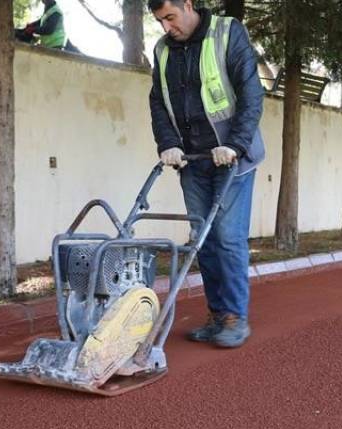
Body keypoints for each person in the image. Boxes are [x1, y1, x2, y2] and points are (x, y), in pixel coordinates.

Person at [147, 0, 264, 349]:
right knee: (204, 240)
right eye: (160, 21)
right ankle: (217, 316)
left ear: (187, 4)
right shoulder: (163, 49)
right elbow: (157, 100)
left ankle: (234, 318)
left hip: (232, 158)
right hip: (193, 160)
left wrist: (236, 144)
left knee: (227, 237)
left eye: (170, 17)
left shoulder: (227, 32)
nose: (167, 26)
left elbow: (251, 94)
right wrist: (168, 143)